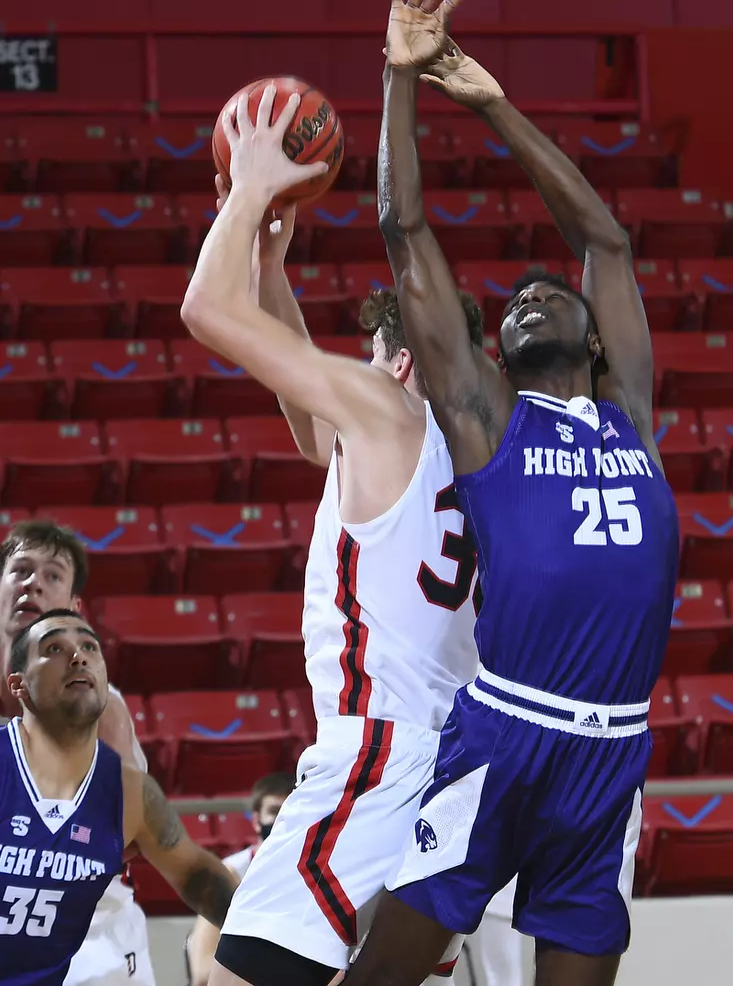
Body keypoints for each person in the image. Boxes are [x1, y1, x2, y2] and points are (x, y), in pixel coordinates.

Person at [344, 0, 679, 986]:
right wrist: (402, 76)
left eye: (550, 293)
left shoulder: (629, 414)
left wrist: (491, 103)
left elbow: (604, 239)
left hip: (611, 754)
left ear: (594, 337)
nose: (531, 297)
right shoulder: (488, 412)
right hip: (505, 734)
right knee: (382, 973)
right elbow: (405, 231)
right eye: (516, 300)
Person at [180, 85, 517, 986]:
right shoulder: (480, 447)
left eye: (366, 357)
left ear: (398, 364)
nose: (353, 375)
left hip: (380, 746)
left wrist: (250, 189)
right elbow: (305, 422)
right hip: (452, 760)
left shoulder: (385, 409)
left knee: (229, 972)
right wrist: (275, 267)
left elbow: (204, 312)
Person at [1, 608, 239, 986]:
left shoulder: (132, 794)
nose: (78, 656)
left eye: (89, 647)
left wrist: (289, 948)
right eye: (54, 649)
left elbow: (198, 877)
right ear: (19, 684)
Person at [0, 520, 157, 986]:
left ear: (73, 606)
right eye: (21, 570)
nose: (34, 583)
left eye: (52, 575)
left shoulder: (100, 709)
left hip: (89, 936)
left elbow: (131, 832)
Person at [186, 772, 294, 986]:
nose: (282, 819)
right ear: (256, 820)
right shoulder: (228, 873)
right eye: (274, 811)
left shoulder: (314, 876)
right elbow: (202, 973)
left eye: (289, 811)